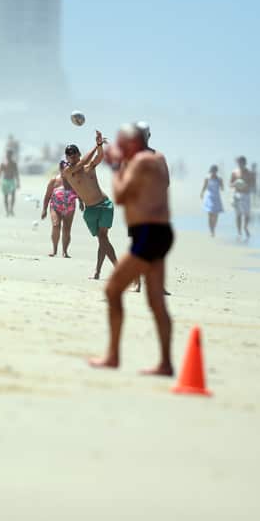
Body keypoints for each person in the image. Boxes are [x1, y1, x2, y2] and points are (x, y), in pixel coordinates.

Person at [89, 123, 173, 375]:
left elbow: (121, 196)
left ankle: (113, 356)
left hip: (147, 235)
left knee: (113, 290)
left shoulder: (138, 162)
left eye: (122, 144)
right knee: (156, 301)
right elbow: (160, 185)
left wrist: (117, 166)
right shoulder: (158, 158)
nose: (118, 148)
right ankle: (165, 363)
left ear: (132, 144)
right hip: (160, 232)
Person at [61, 132, 120, 281]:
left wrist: (100, 147)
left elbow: (99, 158)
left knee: (102, 238)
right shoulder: (68, 172)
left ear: (78, 153)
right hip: (90, 210)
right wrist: (97, 145)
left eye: (74, 153)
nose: (72, 156)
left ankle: (118, 270)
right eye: (69, 155)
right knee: (103, 239)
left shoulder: (89, 167)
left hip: (104, 205)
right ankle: (98, 271)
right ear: (66, 158)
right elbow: (82, 163)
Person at [41, 160, 82, 257]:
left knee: (67, 229)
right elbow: (47, 196)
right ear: (60, 169)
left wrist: (81, 202)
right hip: (55, 206)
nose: (67, 171)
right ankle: (54, 250)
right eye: (65, 169)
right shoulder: (54, 181)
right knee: (56, 225)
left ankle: (65, 251)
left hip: (70, 207)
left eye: (69, 169)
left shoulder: (74, 180)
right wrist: (44, 209)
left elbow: (79, 191)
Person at [230, 156, 253, 239]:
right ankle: (239, 232)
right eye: (239, 162)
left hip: (246, 195)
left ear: (245, 163)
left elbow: (253, 184)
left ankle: (245, 227)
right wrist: (236, 183)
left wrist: (246, 185)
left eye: (241, 162)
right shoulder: (234, 172)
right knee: (238, 214)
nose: (240, 164)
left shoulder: (249, 173)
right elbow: (230, 184)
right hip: (237, 195)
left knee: (247, 214)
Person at [200, 165, 224, 237]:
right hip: (209, 197)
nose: (213, 172)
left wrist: (221, 184)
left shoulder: (219, 179)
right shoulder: (207, 178)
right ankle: (211, 230)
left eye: (215, 171)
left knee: (216, 215)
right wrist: (202, 193)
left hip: (216, 197)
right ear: (210, 171)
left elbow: (222, 188)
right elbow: (204, 186)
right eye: (212, 171)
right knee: (210, 214)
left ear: (216, 171)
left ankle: (214, 228)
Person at [0, 148, 20, 216]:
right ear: (6, 155)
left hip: (12, 181)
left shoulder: (14, 164)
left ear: (11, 155)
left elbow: (16, 173)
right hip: (5, 181)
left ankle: (11, 209)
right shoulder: (3, 164)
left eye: (10, 155)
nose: (8, 156)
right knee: (5, 196)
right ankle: (7, 211)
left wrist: (18, 182)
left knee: (13, 195)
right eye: (7, 155)